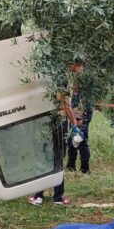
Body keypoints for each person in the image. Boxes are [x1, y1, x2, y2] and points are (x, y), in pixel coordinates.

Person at [29, 64, 80, 206]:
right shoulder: (61, 80)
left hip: (41, 122)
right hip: (57, 123)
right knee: (57, 158)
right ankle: (58, 197)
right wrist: (74, 125)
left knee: (42, 157)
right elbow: (66, 105)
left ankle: (38, 196)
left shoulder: (40, 79)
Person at [65, 60, 94, 174]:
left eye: (71, 64)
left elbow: (85, 98)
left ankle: (85, 169)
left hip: (81, 112)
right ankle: (71, 165)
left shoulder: (84, 78)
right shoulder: (76, 77)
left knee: (81, 138)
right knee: (72, 137)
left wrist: (79, 114)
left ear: (78, 65)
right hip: (76, 111)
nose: (70, 66)